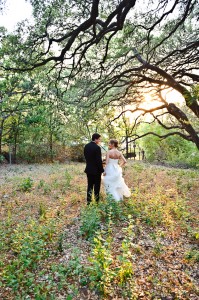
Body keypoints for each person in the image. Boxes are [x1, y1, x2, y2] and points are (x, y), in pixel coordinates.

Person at [84, 133, 104, 205]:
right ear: (95, 139)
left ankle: (88, 202)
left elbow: (86, 157)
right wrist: (102, 170)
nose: (99, 140)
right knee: (97, 186)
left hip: (88, 169)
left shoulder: (86, 146)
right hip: (96, 171)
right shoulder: (97, 147)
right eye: (99, 139)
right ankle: (96, 201)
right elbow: (99, 160)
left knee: (89, 186)